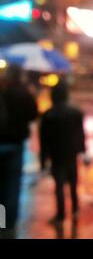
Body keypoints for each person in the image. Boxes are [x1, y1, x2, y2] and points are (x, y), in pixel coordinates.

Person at [39, 81, 87, 224]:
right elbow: (81, 134)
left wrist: (43, 161)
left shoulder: (48, 115)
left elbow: (44, 141)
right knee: (73, 182)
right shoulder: (76, 113)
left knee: (59, 186)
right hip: (71, 154)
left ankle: (60, 215)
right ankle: (75, 209)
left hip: (56, 156)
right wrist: (83, 152)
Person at [0, 65, 38, 238]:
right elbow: (33, 115)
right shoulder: (24, 94)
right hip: (16, 144)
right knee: (13, 184)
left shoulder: (3, 91)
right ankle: (9, 225)